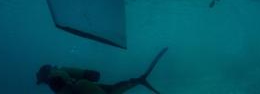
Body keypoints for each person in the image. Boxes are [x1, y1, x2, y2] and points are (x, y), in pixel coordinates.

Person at [36, 48, 168, 94]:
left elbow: (91, 77)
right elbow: (93, 76)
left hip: (90, 89)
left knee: (114, 89)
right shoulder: (60, 72)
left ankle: (140, 80)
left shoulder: (55, 77)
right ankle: (140, 80)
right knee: (115, 88)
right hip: (93, 88)